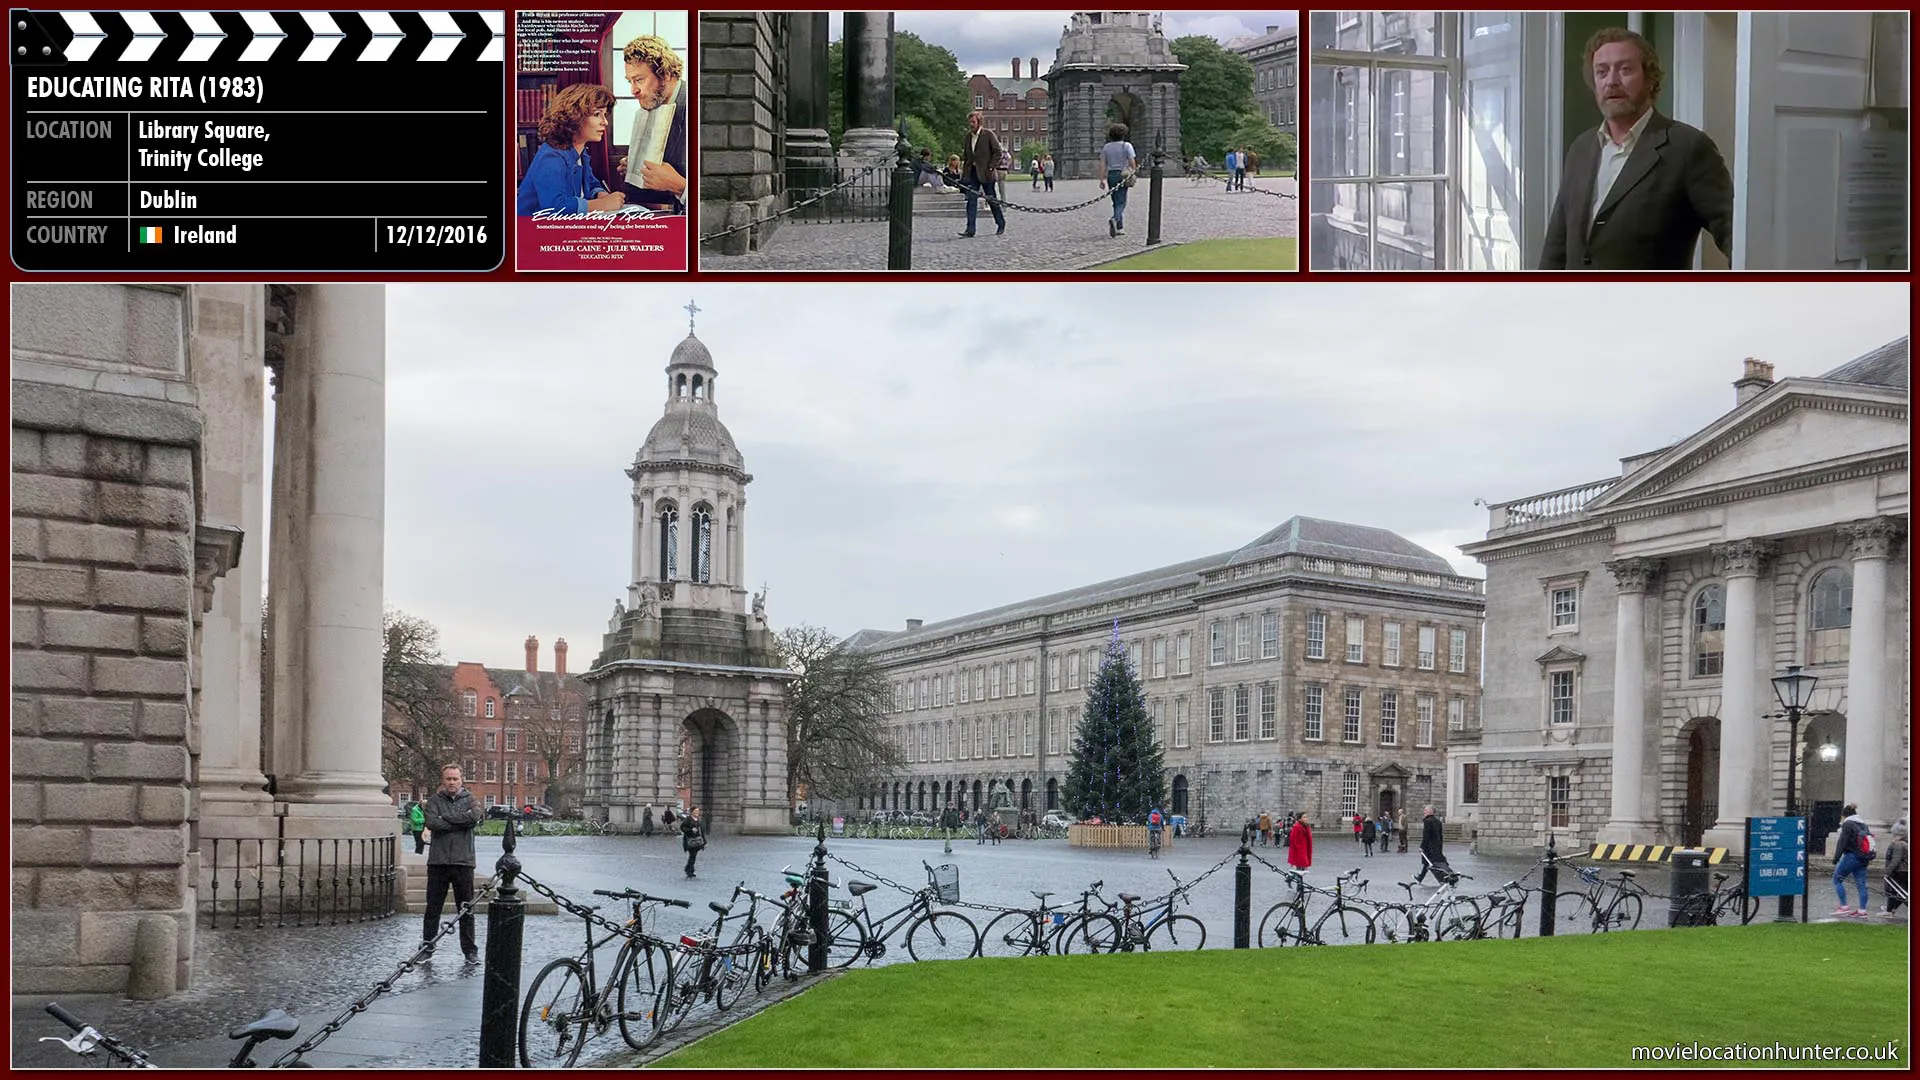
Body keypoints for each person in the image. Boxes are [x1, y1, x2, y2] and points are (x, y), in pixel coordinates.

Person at [1539, 27, 1733, 270]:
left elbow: (1736, 235)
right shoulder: (1582, 147)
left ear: (1650, 78)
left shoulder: (1687, 148)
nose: (1611, 81)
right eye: (1602, 72)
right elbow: (1557, 245)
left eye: (1625, 69)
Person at [516, 84, 625, 216]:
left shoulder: (581, 152)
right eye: (597, 114)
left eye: (605, 114)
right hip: (531, 229)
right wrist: (602, 204)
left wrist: (600, 194)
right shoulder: (551, 156)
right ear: (575, 117)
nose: (605, 122)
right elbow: (554, 206)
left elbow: (591, 183)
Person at [615, 35, 688, 214]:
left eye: (639, 80)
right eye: (629, 81)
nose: (633, 90)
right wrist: (634, 166)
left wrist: (680, 186)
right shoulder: (654, 103)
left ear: (666, 74)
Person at [421, 764, 483, 963]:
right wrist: (459, 821)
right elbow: (431, 822)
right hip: (438, 862)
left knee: (465, 909)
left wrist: (445, 818)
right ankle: (427, 947)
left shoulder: (471, 799)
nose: (452, 783)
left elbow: (473, 817)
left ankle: (470, 951)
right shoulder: (434, 801)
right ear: (443, 780)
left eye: (455, 779)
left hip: (463, 862)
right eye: (448, 779)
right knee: (433, 908)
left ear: (461, 780)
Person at [957, 110, 1006, 238]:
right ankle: (970, 229)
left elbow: (998, 152)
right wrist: (964, 174)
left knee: (991, 200)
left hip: (986, 173)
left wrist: (991, 167)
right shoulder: (968, 137)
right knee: (971, 201)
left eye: (973, 122)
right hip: (972, 174)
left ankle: (1000, 223)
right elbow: (967, 157)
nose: (971, 124)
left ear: (979, 122)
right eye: (970, 122)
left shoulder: (988, 134)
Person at [1832, 802, 1873, 917]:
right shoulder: (1863, 824)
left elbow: (1842, 842)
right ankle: (1862, 910)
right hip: (1864, 857)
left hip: (1851, 855)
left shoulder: (1848, 824)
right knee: (1861, 884)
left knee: (1837, 879)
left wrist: (1836, 857)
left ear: (1844, 815)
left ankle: (1844, 906)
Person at [1098, 123, 1137, 237]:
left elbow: (1102, 164)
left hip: (1111, 175)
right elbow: (1132, 162)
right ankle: (1115, 219)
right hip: (1123, 174)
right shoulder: (1127, 145)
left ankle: (1119, 227)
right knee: (1121, 201)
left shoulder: (1107, 147)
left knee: (1115, 200)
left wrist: (1101, 179)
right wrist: (1133, 172)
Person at [1413, 805, 1452, 884]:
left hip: (1429, 847)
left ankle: (1443, 878)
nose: (1424, 812)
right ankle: (1420, 878)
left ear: (1431, 811)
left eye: (1426, 810)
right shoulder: (1438, 821)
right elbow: (1440, 836)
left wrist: (1422, 846)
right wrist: (1439, 846)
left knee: (1433, 863)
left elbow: (1426, 835)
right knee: (1428, 863)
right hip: (1436, 846)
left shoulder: (1428, 821)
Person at [1882, 820, 1908, 919]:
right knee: (1902, 892)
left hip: (1901, 871)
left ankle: (1889, 911)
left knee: (1899, 892)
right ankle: (1890, 910)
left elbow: (1896, 860)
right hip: (1905, 871)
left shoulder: (1898, 844)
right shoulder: (1905, 843)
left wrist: (1887, 872)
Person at [681, 805, 705, 879]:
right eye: (695, 811)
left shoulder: (698, 820)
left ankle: (689, 869)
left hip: (697, 841)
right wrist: (690, 830)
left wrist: (704, 842)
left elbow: (701, 832)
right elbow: (682, 827)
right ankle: (689, 870)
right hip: (690, 841)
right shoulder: (688, 819)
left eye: (698, 811)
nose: (697, 812)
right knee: (692, 856)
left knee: (693, 856)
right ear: (692, 812)